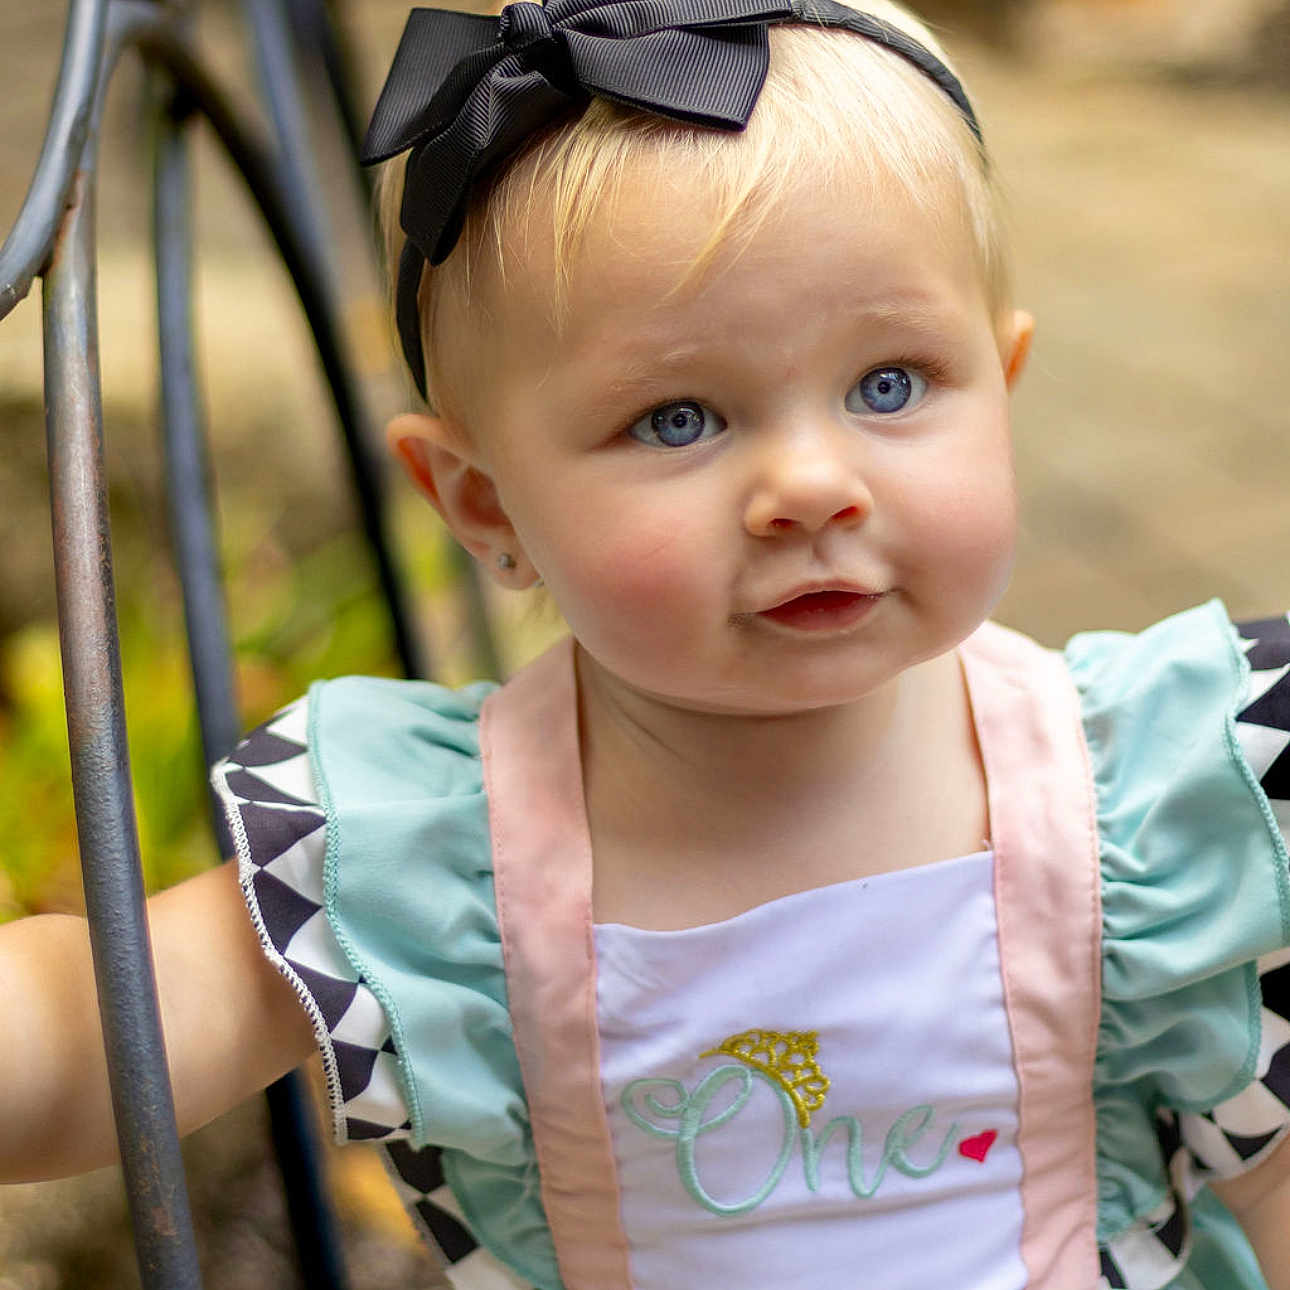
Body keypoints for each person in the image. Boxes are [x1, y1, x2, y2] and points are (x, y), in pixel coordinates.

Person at [3, 1, 1290, 1287]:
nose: (811, 484)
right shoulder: (437, 853)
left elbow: (1274, 1169)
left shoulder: (1133, 797)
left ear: (1001, 388)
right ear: (486, 506)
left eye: (888, 384)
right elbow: (90, 1037)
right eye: (679, 417)